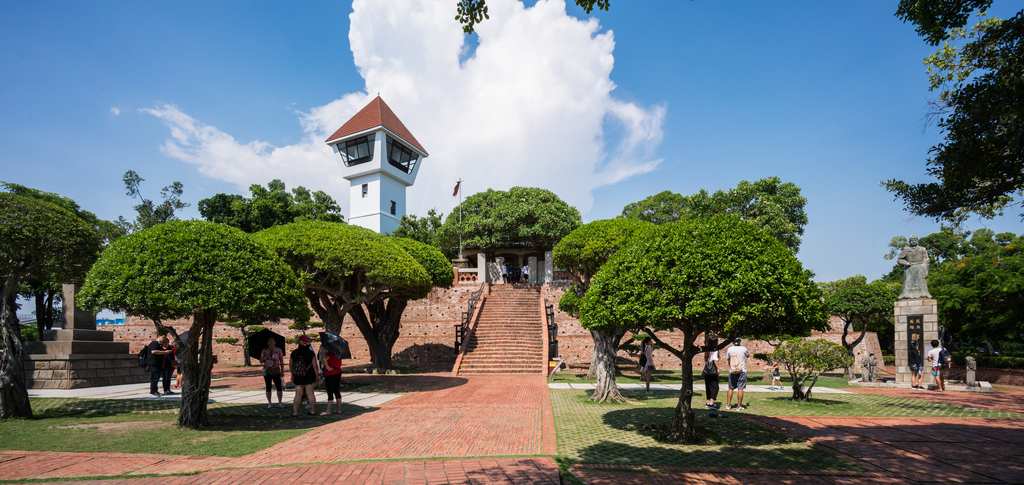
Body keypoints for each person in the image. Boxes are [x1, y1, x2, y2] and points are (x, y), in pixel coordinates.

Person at [290, 335, 320, 416]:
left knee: (298, 394)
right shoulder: (311, 353)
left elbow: (291, 365)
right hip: (309, 375)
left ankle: (295, 412)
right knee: (310, 393)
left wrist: (292, 374)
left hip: (297, 376)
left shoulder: (294, 353)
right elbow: (315, 366)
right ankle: (313, 411)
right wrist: (317, 375)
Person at [260, 337, 285, 408]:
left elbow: (281, 361)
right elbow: (261, 361)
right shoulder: (264, 351)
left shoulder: (278, 350)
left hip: (276, 370)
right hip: (267, 371)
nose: (270, 341)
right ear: (267, 343)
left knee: (278, 386)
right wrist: (263, 355)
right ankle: (269, 403)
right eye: (269, 340)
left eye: (272, 340)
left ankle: (280, 402)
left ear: (275, 342)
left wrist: (282, 371)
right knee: (268, 386)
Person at [725, 338, 749, 410]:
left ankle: (728, 405)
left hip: (732, 370)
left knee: (730, 388)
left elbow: (728, 359)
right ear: (740, 342)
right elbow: (747, 356)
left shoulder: (729, 349)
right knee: (740, 388)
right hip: (742, 370)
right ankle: (739, 406)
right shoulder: (744, 349)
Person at [320, 347, 344, 415]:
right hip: (338, 372)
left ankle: (328, 410)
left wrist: (327, 367)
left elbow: (324, 359)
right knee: (337, 391)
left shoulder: (329, 353)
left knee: (330, 392)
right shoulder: (339, 354)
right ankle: (338, 409)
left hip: (330, 374)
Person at [702, 338, 720, 409]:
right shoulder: (715, 349)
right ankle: (712, 403)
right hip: (712, 370)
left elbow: (706, 360)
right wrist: (718, 368)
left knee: (708, 386)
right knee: (715, 387)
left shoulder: (707, 349)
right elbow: (715, 359)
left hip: (707, 370)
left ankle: (708, 401)